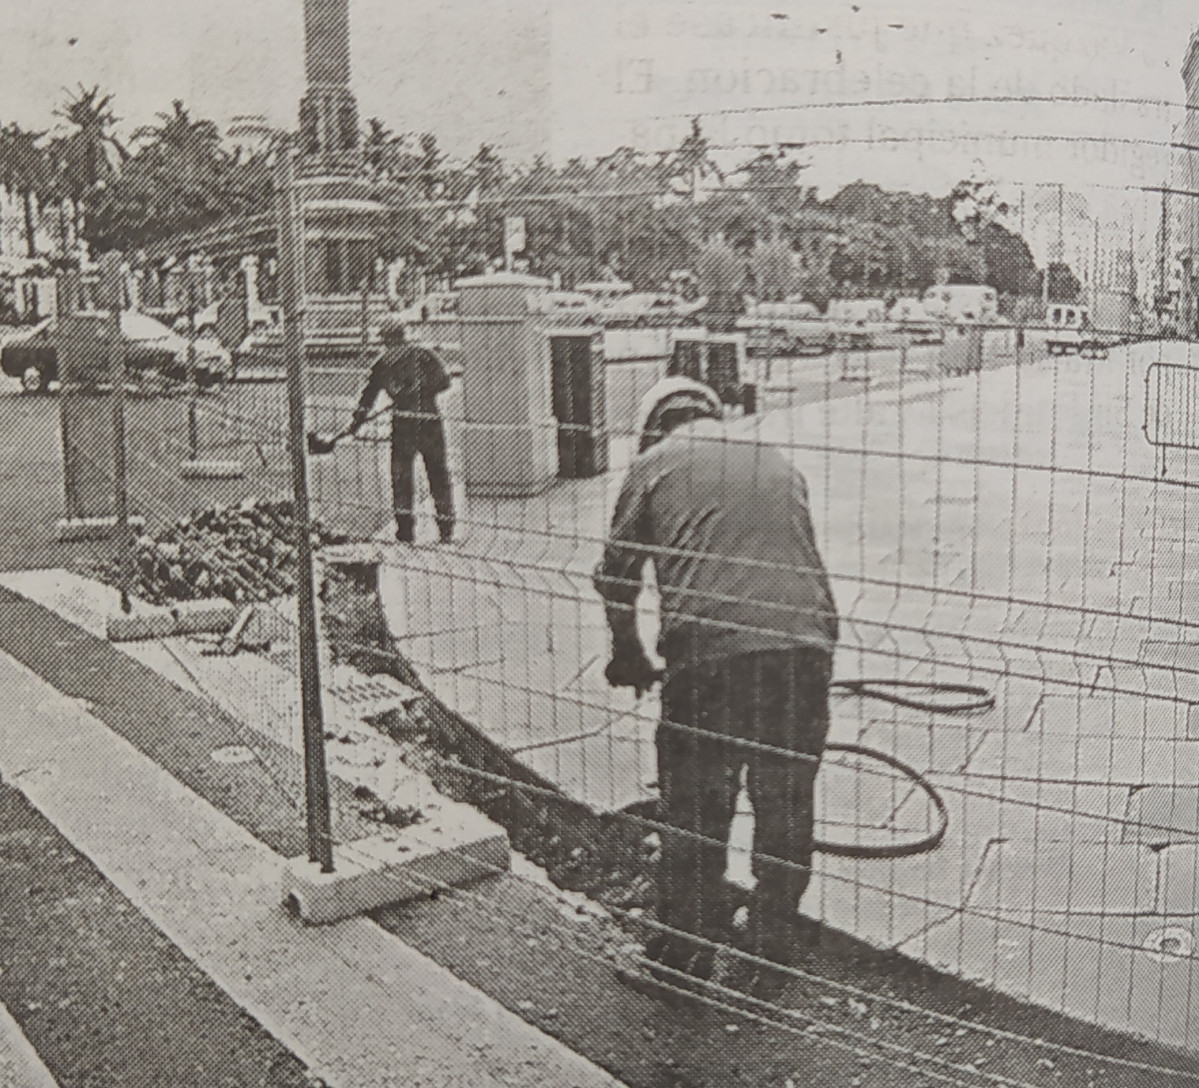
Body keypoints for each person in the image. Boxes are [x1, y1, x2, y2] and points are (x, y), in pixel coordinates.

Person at [594, 376, 839, 999]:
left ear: (654, 428)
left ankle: (684, 953)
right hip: (803, 655)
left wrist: (630, 653)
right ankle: (772, 944)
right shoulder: (776, 460)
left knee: (697, 806)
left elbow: (616, 578)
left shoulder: (652, 464)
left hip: (711, 661)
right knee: (786, 803)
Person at [348, 315, 455, 544]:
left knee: (434, 475)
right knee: (402, 478)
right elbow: (368, 396)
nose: (391, 346)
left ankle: (445, 527)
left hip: (427, 423)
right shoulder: (382, 365)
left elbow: (445, 381)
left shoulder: (422, 356)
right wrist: (356, 422)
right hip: (406, 426)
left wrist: (418, 389)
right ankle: (406, 530)